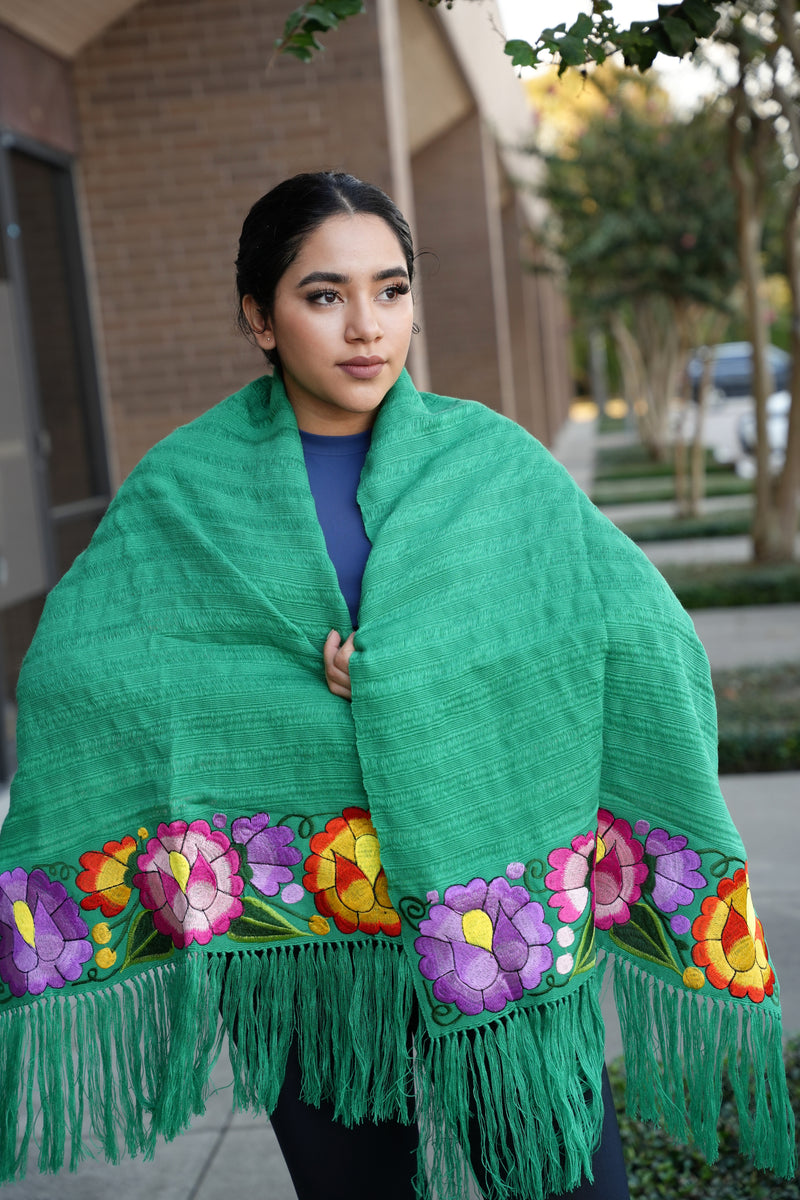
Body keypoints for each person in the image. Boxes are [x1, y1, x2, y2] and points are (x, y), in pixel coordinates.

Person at [0, 172, 793, 1200]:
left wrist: (413, 672)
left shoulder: (491, 466)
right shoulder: (181, 490)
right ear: (259, 318)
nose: (366, 327)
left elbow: (631, 633)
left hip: (490, 910)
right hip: (309, 940)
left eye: (391, 290)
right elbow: (84, 673)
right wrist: (282, 697)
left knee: (569, 1185)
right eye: (323, 295)